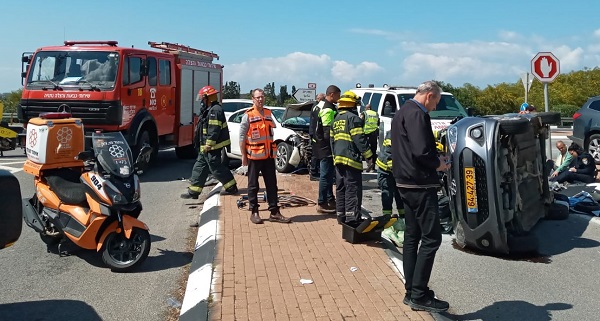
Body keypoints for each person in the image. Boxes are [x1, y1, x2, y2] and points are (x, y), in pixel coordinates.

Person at [391, 80, 450, 313]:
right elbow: (420, 150)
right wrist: (439, 164)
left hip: (405, 181)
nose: (435, 107)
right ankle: (419, 294)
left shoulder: (402, 112)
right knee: (432, 238)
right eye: (436, 101)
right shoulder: (418, 114)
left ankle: (412, 290)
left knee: (412, 237)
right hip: (419, 183)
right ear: (429, 95)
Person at [239, 88, 291, 224]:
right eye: (258, 97)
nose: (260, 99)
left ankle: (274, 212)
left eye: (262, 97)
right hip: (254, 157)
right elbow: (241, 137)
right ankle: (254, 211)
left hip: (268, 156)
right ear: (253, 99)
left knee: (272, 185)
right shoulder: (248, 115)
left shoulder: (268, 113)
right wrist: (244, 156)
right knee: (253, 185)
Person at [181, 85, 238, 199]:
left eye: (203, 98)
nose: (201, 100)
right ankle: (194, 191)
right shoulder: (209, 109)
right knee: (200, 166)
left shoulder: (215, 110)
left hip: (212, 146)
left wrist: (208, 144)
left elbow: (214, 129)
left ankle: (231, 187)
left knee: (215, 167)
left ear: (209, 98)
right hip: (205, 146)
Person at [331, 91, 372, 224]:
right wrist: (369, 157)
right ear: (352, 105)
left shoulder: (335, 119)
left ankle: (341, 216)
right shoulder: (353, 118)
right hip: (351, 160)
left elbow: (332, 142)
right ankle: (352, 219)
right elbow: (359, 139)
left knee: (341, 188)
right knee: (352, 190)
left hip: (338, 160)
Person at [314, 85, 341, 214]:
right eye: (338, 95)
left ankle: (330, 199)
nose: (339, 98)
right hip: (325, 147)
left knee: (328, 174)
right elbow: (327, 132)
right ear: (332, 94)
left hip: (319, 145)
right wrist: (333, 146)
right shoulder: (328, 109)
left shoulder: (318, 105)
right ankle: (322, 202)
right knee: (326, 175)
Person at [377, 130, 405, 246]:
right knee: (387, 194)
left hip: (396, 170)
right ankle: (387, 219)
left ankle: (403, 218)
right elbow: (389, 157)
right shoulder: (393, 134)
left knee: (400, 194)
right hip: (386, 170)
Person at [308, 93, 326, 181]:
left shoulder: (315, 106)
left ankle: (315, 171)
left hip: (313, 132)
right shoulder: (318, 107)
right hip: (315, 133)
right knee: (316, 154)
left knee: (316, 153)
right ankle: (314, 173)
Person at [360, 103, 380, 172]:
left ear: (367, 108)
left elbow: (361, 122)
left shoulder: (364, 113)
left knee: (366, 150)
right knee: (373, 150)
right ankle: (373, 166)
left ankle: (369, 163)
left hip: (366, 134)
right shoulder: (376, 114)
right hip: (374, 134)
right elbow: (378, 123)